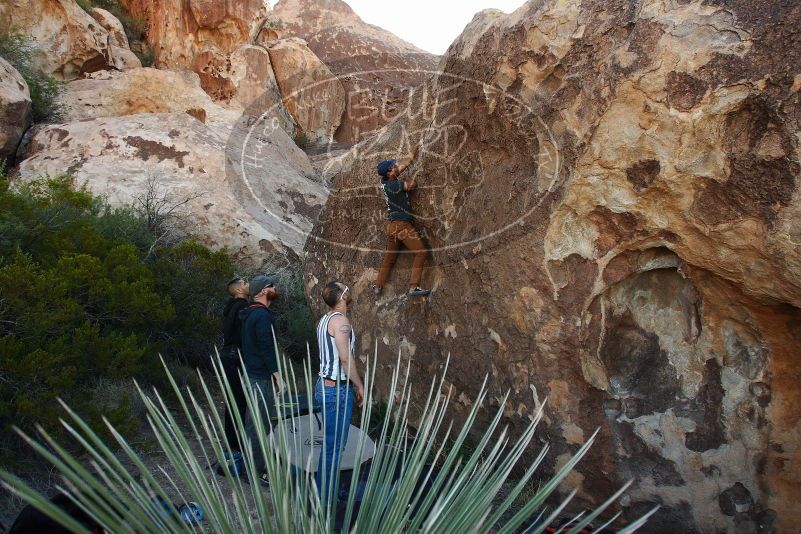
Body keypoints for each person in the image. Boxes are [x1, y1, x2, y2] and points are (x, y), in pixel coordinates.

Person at [315, 281, 365, 512]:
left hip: (326, 386)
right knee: (334, 447)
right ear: (343, 295)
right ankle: (324, 502)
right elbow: (345, 359)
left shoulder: (325, 320)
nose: (350, 290)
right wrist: (359, 384)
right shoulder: (341, 322)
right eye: (347, 288)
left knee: (332, 444)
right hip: (336, 389)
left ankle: (325, 491)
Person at [239, 274, 281, 486]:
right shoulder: (262, 315)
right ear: (264, 290)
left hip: (251, 373)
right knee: (259, 424)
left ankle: (253, 467)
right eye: (272, 285)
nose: (275, 288)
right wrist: (276, 373)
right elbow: (266, 346)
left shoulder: (249, 313)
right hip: (260, 376)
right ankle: (255, 473)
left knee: (254, 423)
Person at [374, 143, 432, 298]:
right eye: (393, 167)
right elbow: (413, 185)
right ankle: (414, 287)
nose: (396, 167)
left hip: (392, 227)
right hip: (402, 227)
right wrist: (407, 177)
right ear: (389, 172)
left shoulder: (385, 182)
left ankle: (378, 286)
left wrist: (415, 149)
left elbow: (404, 163)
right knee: (421, 253)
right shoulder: (396, 185)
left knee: (389, 259)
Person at [220, 277, 250, 453]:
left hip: (228, 356)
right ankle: (236, 446)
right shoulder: (242, 308)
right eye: (246, 283)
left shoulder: (230, 307)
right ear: (238, 290)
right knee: (238, 401)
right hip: (236, 357)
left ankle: (233, 443)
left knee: (233, 400)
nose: (249, 285)